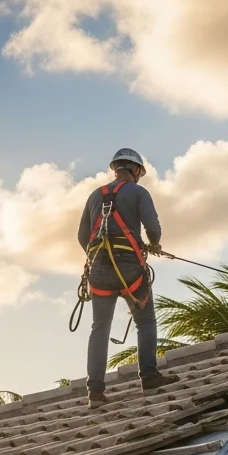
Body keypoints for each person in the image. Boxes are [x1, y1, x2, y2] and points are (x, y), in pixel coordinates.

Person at [76, 148, 180, 409]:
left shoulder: (94, 196)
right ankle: (148, 376)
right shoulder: (138, 193)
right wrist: (153, 244)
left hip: (99, 270)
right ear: (135, 171)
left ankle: (95, 393)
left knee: (99, 328)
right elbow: (153, 228)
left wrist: (100, 256)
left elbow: (82, 237)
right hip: (130, 269)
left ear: (116, 169)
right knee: (145, 321)